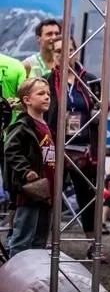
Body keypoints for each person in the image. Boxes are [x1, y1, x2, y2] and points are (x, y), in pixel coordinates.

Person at [45, 36, 106, 262]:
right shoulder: (46, 81)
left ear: (76, 51)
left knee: (88, 196)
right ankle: (48, 243)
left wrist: (100, 111)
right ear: (53, 54)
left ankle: (93, 245)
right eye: (59, 51)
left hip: (84, 147)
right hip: (55, 147)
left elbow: (103, 108)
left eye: (69, 49)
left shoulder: (90, 80)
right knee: (51, 196)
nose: (65, 54)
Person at [4, 78, 55, 256]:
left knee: (41, 238)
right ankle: (15, 270)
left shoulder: (47, 126)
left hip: (48, 190)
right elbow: (11, 150)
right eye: (41, 94)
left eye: (48, 93)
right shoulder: (22, 125)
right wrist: (25, 170)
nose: (47, 97)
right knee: (23, 237)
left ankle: (35, 269)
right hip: (31, 190)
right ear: (27, 100)